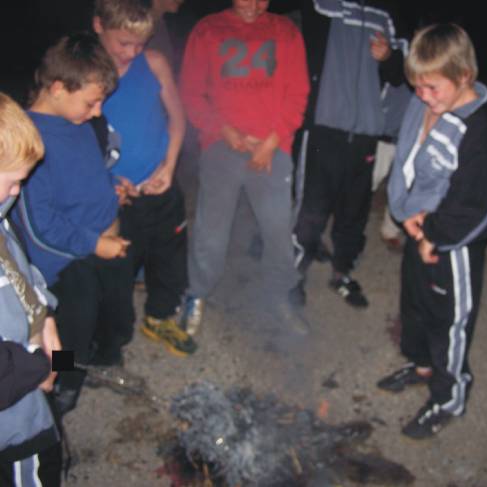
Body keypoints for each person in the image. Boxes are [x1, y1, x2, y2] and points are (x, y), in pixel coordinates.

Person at [378, 23, 487, 439]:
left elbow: (482, 203)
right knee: (414, 305)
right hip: (419, 230)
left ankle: (449, 396)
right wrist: (404, 212)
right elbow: (405, 160)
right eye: (417, 87)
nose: (423, 97)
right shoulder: (425, 101)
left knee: (449, 320)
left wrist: (434, 235)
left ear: (464, 76)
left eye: (432, 88)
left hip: (452, 244)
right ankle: (421, 365)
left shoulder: (477, 129)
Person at [11, 33, 136, 414]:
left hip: (102, 240)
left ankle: (105, 356)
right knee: (73, 331)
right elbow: (40, 228)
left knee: (117, 310)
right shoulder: (30, 141)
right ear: (58, 88)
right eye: (91, 102)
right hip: (64, 263)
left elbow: (89, 171)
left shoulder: (77, 120)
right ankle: (64, 385)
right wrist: (95, 244)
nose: (98, 112)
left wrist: (111, 187)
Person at [178, 0, 309, 333]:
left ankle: (278, 295)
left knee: (278, 230)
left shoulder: (285, 31)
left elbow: (298, 93)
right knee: (211, 230)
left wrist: (271, 141)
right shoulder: (208, 30)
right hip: (221, 144)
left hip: (272, 148)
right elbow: (191, 93)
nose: (253, 5)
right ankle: (197, 293)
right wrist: (222, 129)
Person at [93, 0, 197, 354]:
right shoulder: (84, 74)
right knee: (117, 273)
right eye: (123, 43)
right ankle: (109, 342)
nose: (132, 52)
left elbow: (178, 118)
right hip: (117, 199)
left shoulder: (153, 63)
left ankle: (160, 317)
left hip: (161, 184)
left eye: (139, 43)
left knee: (170, 258)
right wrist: (107, 185)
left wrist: (169, 165)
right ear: (99, 26)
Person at [292, 0, 410, 308]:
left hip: (367, 131)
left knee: (354, 211)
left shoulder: (388, 12)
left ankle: (341, 273)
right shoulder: (323, 5)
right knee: (311, 208)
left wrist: (389, 57)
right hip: (324, 125)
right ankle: (293, 274)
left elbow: (402, 75)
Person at [0, 92, 63, 486]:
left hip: (39, 356)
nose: (18, 192)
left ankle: (65, 387)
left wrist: (46, 314)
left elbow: (22, 271)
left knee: (69, 362)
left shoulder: (1, 217)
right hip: (14, 425)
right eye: (14, 181)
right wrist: (40, 367)